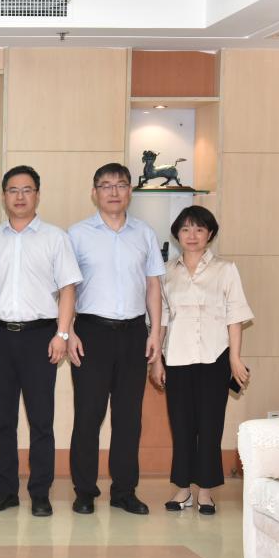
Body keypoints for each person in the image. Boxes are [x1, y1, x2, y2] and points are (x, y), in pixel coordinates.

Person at [0, 165, 82, 517]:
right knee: (2, 420)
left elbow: (68, 289)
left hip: (40, 337)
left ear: (37, 194)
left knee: (41, 420)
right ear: (3, 196)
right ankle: (5, 491)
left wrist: (62, 334)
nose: (19, 197)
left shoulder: (55, 238)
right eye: (13, 190)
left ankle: (40, 494)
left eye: (27, 190)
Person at [67, 162, 166, 515]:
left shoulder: (144, 233)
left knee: (128, 418)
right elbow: (66, 288)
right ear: (94, 192)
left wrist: (156, 334)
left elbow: (153, 286)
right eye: (106, 185)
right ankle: (84, 491)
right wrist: (68, 331)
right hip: (90, 333)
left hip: (134, 334)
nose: (113, 192)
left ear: (130, 191)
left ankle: (124, 491)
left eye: (121, 184)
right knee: (88, 415)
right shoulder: (77, 234)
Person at [149, 206, 252, 515]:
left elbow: (235, 315)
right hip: (177, 358)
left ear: (210, 234)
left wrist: (235, 358)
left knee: (209, 426)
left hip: (214, 357)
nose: (191, 235)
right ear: (177, 235)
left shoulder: (225, 269)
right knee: (181, 427)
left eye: (199, 229)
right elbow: (161, 319)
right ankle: (182, 489)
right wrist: (156, 361)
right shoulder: (166, 272)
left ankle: (205, 491)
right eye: (185, 229)